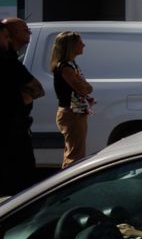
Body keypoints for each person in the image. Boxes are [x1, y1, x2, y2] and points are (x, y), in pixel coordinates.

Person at [2, 18, 44, 194]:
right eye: (25, 30)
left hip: (16, 128)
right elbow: (37, 88)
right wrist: (23, 95)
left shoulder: (12, 59)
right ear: (11, 35)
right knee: (18, 177)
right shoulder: (7, 60)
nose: (29, 33)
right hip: (11, 131)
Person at [50, 31, 94, 168]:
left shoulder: (71, 65)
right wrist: (86, 86)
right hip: (71, 112)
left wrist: (85, 87)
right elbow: (82, 88)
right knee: (75, 156)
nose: (84, 45)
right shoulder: (66, 67)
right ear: (71, 46)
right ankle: (70, 185)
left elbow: (85, 87)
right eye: (80, 42)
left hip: (75, 111)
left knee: (73, 152)